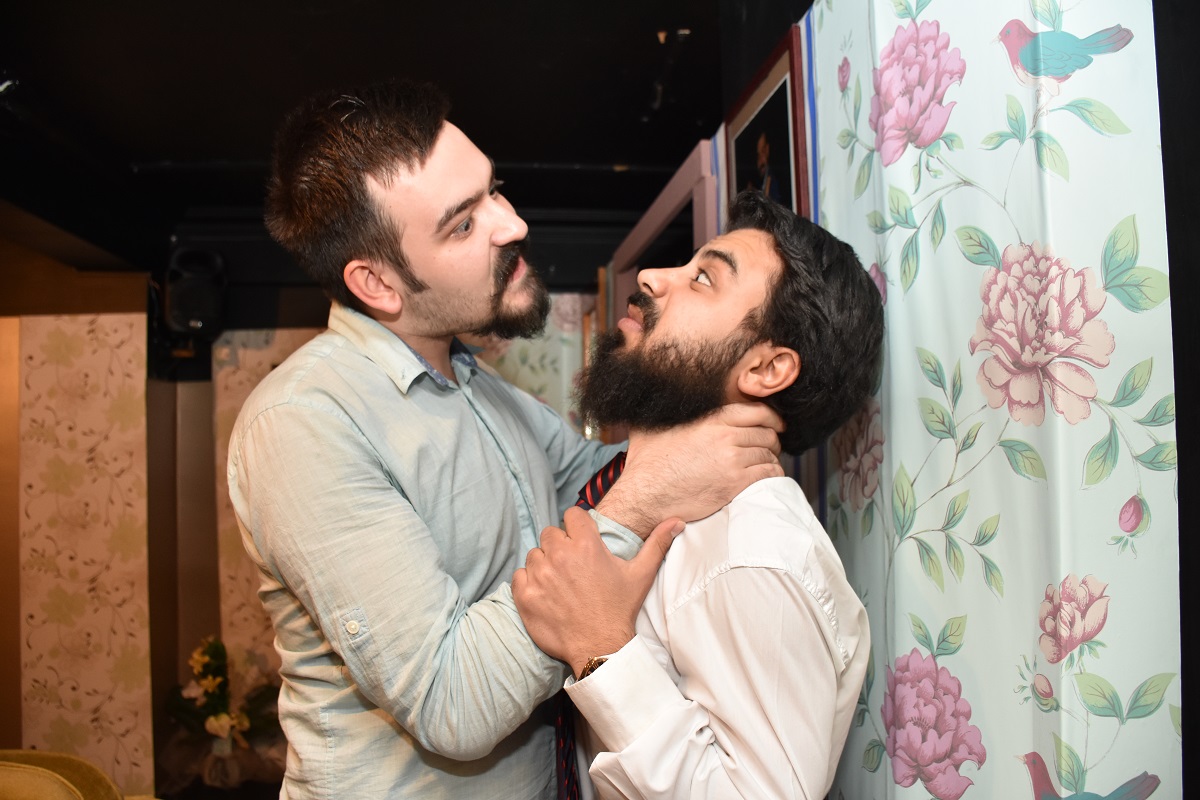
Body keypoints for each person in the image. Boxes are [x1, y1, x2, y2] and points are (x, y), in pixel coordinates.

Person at [225, 79, 785, 799]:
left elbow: (599, 475)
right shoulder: (305, 423)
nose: (512, 224)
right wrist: (643, 500)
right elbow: (451, 701)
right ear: (378, 283)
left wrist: (725, 385)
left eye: (493, 190)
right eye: (463, 225)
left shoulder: (475, 382)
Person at [513, 190, 885, 799]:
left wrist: (602, 650)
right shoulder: (670, 501)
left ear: (766, 370)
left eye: (704, 278)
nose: (652, 277)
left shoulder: (751, 552)